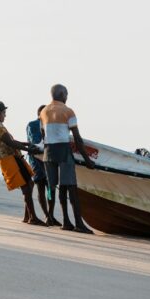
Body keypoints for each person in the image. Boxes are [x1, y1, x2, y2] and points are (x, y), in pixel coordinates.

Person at [39, 84, 95, 234]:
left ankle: (62, 220)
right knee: (71, 188)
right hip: (63, 152)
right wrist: (88, 161)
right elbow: (77, 138)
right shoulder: (68, 111)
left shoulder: (43, 112)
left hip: (48, 153)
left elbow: (43, 135)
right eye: (66, 94)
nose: (67, 97)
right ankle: (78, 223)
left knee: (53, 187)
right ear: (62, 94)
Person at [0, 101, 44, 226]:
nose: (5, 115)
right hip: (10, 158)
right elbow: (10, 143)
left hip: (12, 157)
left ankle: (27, 216)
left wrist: (27, 144)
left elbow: (10, 140)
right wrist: (29, 149)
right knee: (26, 187)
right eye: (4, 113)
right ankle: (32, 217)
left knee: (29, 182)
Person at [25, 105, 55, 225]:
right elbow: (36, 142)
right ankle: (47, 215)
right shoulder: (33, 124)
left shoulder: (49, 125)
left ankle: (50, 215)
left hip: (48, 161)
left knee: (50, 188)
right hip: (37, 161)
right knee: (42, 187)